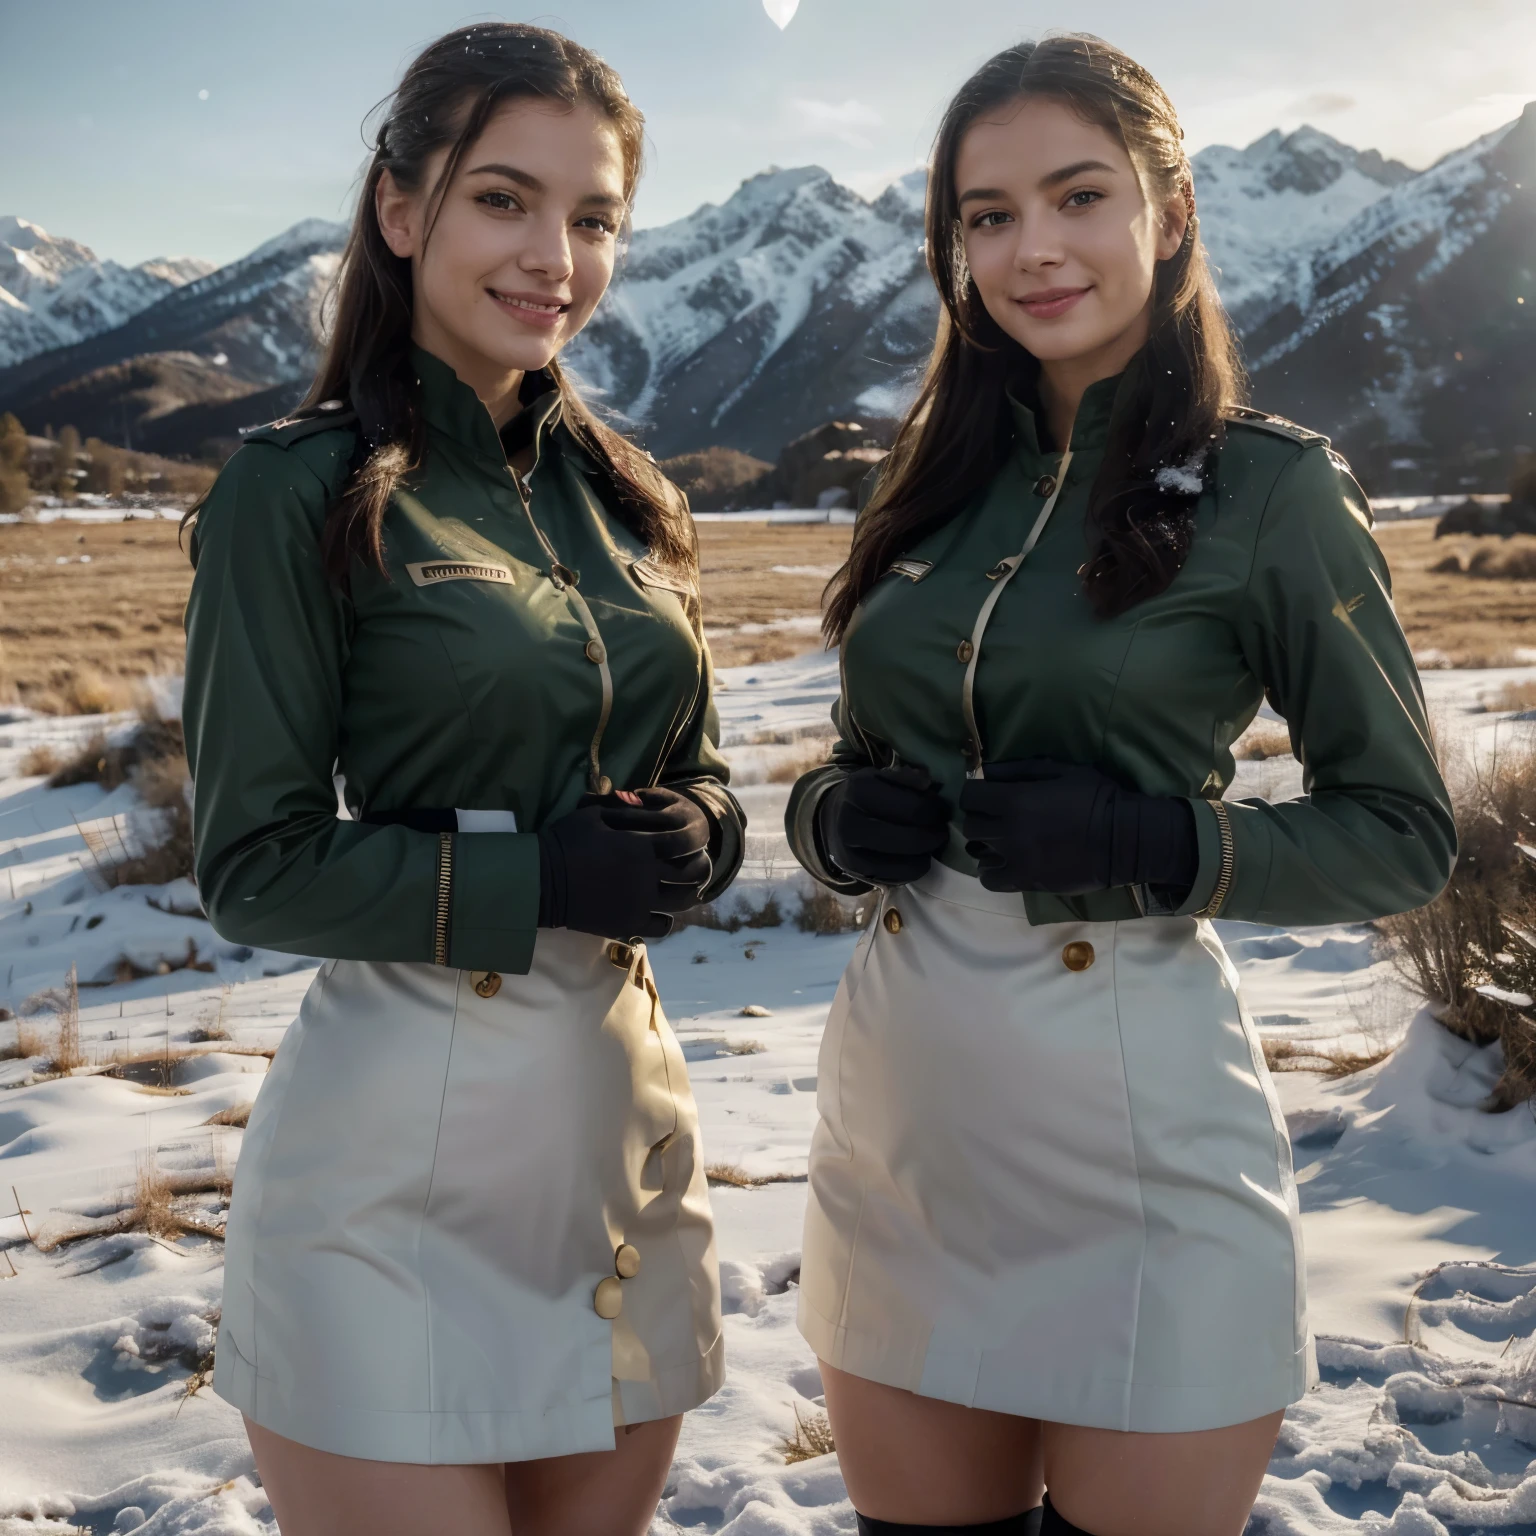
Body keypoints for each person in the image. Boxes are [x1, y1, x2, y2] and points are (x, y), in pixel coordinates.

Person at [784, 34, 1454, 1536]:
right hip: (901, 1135)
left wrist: (1160, 840)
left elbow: (1402, 836)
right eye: (986, 215)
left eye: (1076, 196)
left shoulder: (1271, 490)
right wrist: (830, 821)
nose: (1032, 250)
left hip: (1136, 1151)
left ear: (1169, 208)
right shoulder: (936, 477)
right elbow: (860, 759)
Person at [182, 24, 743, 1536]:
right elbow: (256, 865)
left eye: (596, 216)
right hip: (394, 1183)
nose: (553, 255)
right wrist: (539, 879)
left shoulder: (633, 499)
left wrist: (705, 827)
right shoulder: (290, 496)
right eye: (505, 199)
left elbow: (699, 771)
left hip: (623, 1163)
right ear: (402, 209)